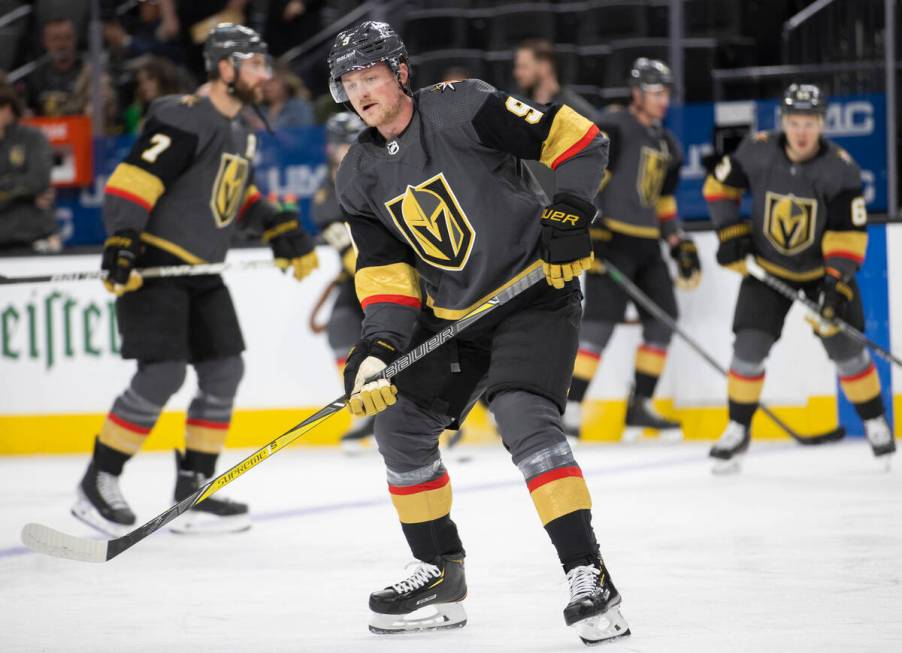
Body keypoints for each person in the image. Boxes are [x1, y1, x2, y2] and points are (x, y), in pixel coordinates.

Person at [329, 21, 630, 645]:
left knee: (523, 418)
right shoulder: (358, 173)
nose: (361, 94)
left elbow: (578, 137)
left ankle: (588, 573)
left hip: (531, 297)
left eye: (371, 78)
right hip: (454, 318)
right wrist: (377, 349)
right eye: (349, 84)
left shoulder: (463, 106)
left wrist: (571, 207)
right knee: (400, 424)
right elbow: (387, 277)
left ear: (401, 73)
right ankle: (440, 572)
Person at [71, 23, 319, 537]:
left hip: (202, 271)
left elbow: (235, 192)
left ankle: (194, 491)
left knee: (224, 370)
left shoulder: (241, 129)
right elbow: (131, 181)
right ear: (225, 67)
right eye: (253, 65)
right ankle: (98, 480)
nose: (263, 75)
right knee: (163, 374)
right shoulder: (184, 116)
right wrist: (122, 241)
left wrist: (273, 222)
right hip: (158, 265)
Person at [704, 83, 896, 472]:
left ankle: (876, 422)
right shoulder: (757, 151)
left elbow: (848, 233)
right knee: (748, 348)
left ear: (822, 124)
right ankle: (737, 429)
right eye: (794, 122)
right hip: (768, 268)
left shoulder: (840, 168)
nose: (802, 131)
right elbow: (718, 187)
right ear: (783, 122)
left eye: (810, 122)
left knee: (847, 352)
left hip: (821, 273)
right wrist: (731, 232)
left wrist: (835, 282)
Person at [562, 58, 701, 443]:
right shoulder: (615, 127)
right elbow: (590, 181)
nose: (662, 100)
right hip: (612, 239)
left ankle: (640, 406)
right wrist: (592, 229)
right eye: (655, 93)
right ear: (637, 93)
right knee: (599, 325)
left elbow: (664, 204)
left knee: (664, 319)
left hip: (647, 244)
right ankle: (571, 408)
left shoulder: (668, 144)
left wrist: (679, 245)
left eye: (665, 93)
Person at [309, 111, 373, 451]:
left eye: (351, 142)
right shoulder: (325, 192)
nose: (345, 149)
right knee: (341, 331)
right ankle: (364, 410)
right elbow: (344, 245)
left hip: (403, 272)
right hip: (361, 276)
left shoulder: (382, 171)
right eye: (340, 143)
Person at [0, 86, 59, 252]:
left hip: (31, 236)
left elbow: (38, 181)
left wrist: (7, 188)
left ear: (7, 110)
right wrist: (24, 194)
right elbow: (30, 186)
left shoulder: (32, 138)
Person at [26, 18, 84, 116]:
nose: (62, 44)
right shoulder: (36, 75)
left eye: (67, 38)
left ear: (75, 39)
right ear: (45, 42)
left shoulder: (88, 72)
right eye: (55, 39)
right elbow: (29, 111)